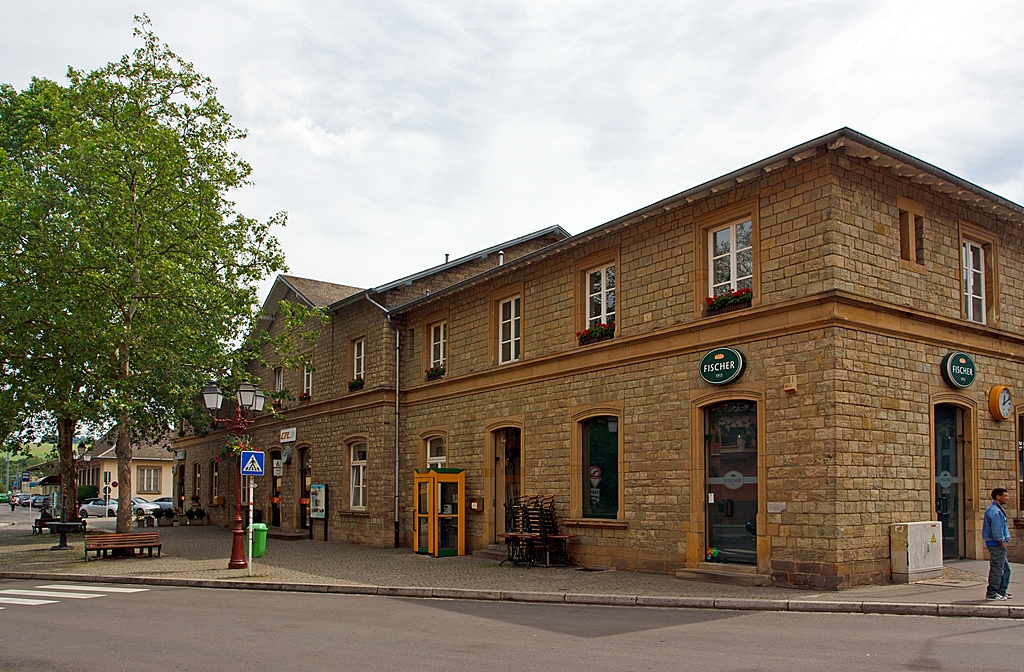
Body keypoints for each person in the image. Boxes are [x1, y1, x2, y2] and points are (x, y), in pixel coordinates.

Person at [982, 487, 1012, 600]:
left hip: (997, 544)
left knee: (1005, 569)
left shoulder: (995, 510)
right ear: (998, 497)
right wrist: (1002, 543)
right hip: (997, 544)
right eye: (1005, 496)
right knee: (997, 569)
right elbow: (997, 530)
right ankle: (992, 592)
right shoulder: (995, 511)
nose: (1007, 498)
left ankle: (1001, 591)